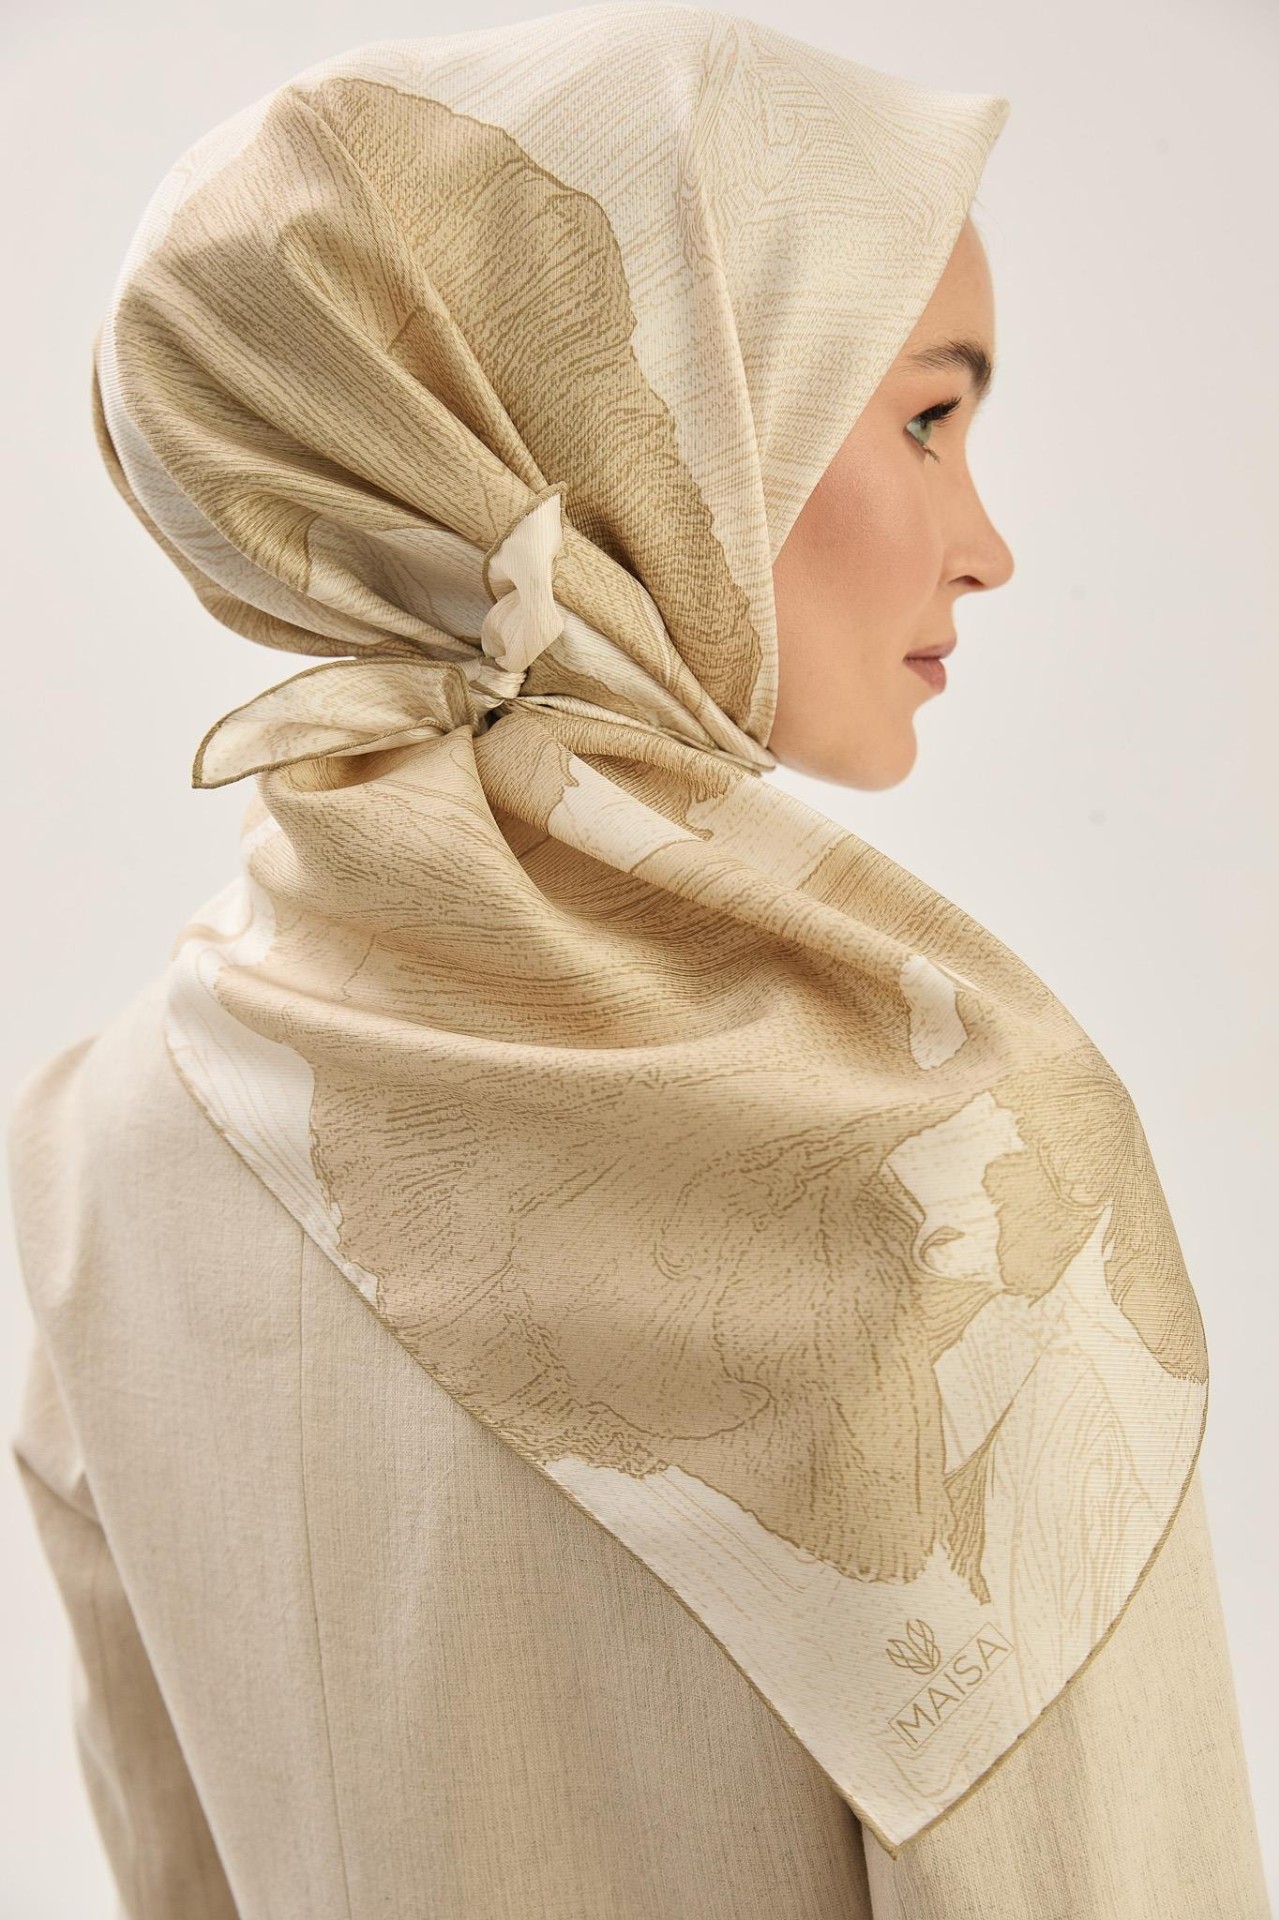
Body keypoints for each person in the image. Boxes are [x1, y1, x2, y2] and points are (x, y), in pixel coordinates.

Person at [7, 6, 1270, 1915]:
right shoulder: (948, 1160)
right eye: (926, 417)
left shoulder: (102, 1148)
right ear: (639, 425)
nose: (986, 542)